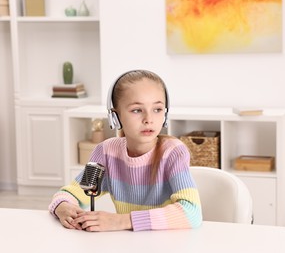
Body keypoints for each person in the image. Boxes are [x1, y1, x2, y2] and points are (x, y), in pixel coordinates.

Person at [48, 69, 202, 232]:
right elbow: (73, 192)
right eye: (137, 110)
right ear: (115, 117)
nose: (148, 119)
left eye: (157, 109)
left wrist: (121, 221)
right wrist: (62, 206)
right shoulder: (106, 152)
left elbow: (192, 213)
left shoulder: (173, 153)